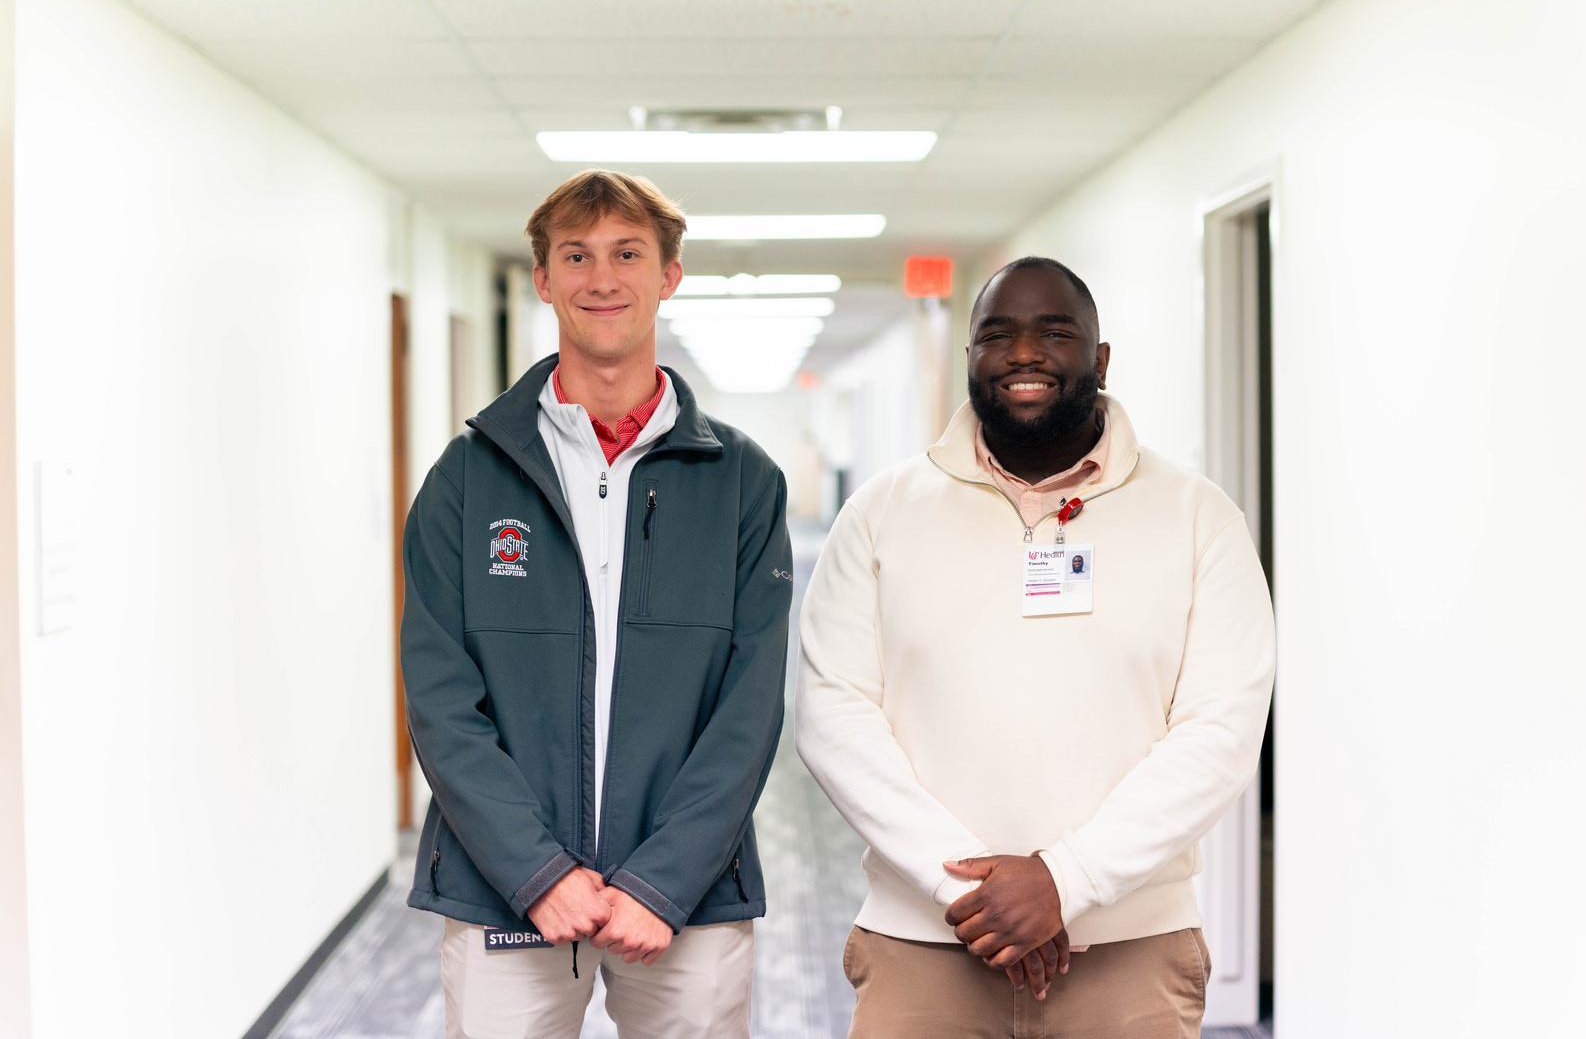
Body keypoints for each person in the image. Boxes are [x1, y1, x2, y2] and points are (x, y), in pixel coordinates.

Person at [796, 256, 1275, 1037]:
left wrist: (1066, 881)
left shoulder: (1196, 516)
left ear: (1100, 357)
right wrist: (972, 893)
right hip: (925, 943)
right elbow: (833, 713)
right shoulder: (882, 512)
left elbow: (1219, 729)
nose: (1023, 354)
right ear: (970, 359)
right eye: (997, 335)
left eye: (1053, 332)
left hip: (1128, 948)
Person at [400, 169, 793, 1038]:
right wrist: (536, 873)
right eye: (575, 256)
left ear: (669, 276)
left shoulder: (741, 482)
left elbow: (751, 702)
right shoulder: (466, 480)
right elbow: (438, 698)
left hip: (686, 898)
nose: (602, 278)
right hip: (504, 887)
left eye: (627, 254)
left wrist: (663, 881)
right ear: (543, 280)